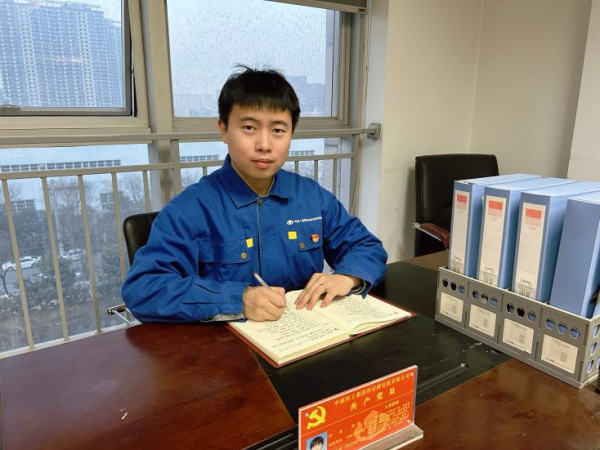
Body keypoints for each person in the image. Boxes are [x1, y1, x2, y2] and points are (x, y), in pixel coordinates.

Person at [121, 67, 387, 323]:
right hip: (226, 346)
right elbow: (144, 289)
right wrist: (238, 299)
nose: (264, 145)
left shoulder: (311, 197)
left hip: (304, 336)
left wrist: (346, 278)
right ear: (224, 130)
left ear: (291, 134)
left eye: (278, 130)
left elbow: (367, 247)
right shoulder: (190, 209)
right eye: (249, 128)